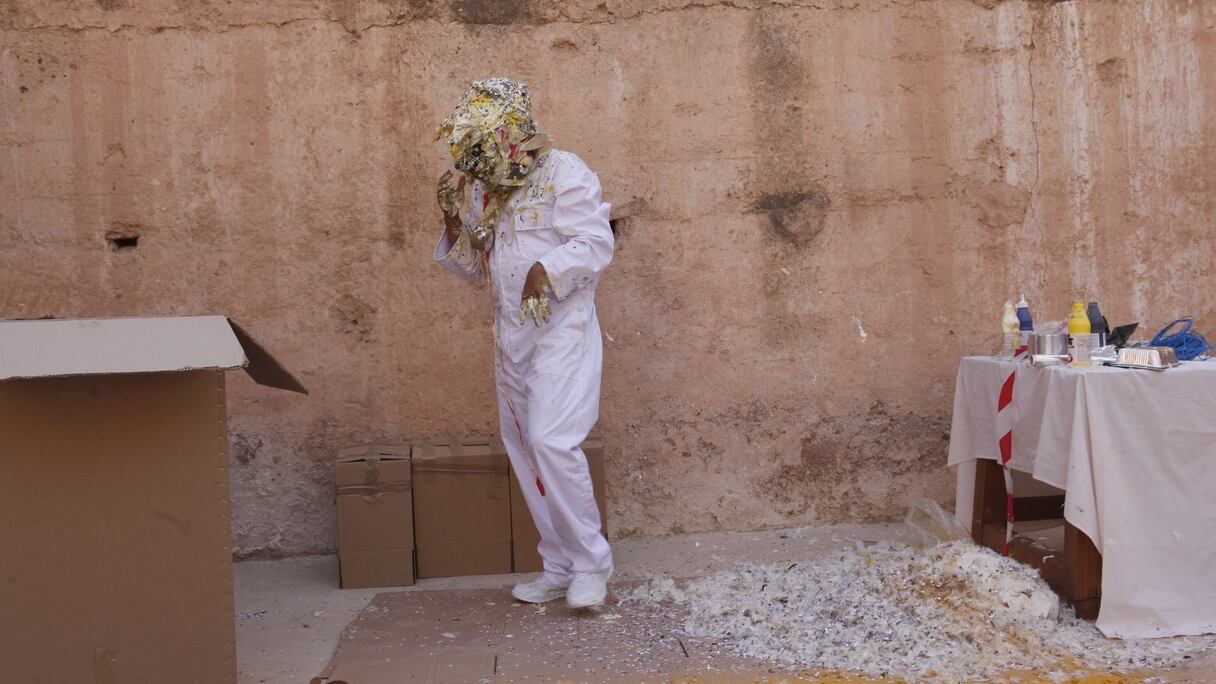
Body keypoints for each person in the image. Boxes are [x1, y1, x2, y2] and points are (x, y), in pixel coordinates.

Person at [432, 78, 614, 608]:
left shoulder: (564, 171)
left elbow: (595, 243)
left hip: (561, 329)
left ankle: (591, 564)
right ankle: (557, 564)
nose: (478, 159)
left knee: (553, 441)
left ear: (510, 132)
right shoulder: (492, 190)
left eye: (484, 145)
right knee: (527, 450)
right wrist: (451, 217)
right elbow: (474, 271)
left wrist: (545, 267)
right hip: (510, 336)